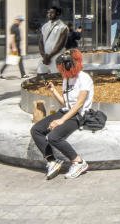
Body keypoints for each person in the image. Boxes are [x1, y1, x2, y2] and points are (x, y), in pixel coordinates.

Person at [30, 49, 92, 180]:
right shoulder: (66, 79)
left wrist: (61, 121)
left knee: (53, 137)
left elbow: (79, 103)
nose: (60, 72)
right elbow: (66, 103)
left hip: (79, 115)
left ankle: (79, 162)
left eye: (62, 69)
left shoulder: (84, 78)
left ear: (70, 65)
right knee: (36, 130)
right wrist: (53, 90)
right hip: (66, 111)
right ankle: (52, 161)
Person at [38, 7, 69, 74]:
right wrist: (43, 55)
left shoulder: (63, 27)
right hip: (44, 56)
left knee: (56, 77)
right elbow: (40, 42)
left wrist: (49, 56)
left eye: (52, 12)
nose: (49, 14)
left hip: (56, 56)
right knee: (40, 75)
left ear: (57, 14)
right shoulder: (45, 26)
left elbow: (61, 44)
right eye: (48, 12)